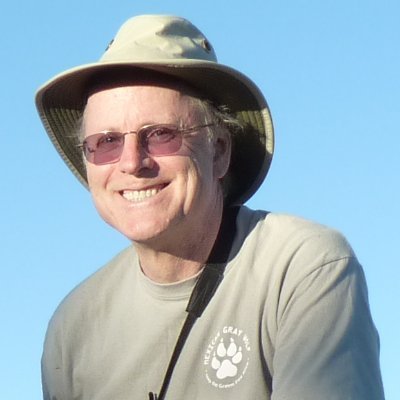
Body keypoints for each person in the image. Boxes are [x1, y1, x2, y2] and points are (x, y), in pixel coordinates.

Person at [36, 14, 384, 400]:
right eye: (106, 142)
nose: (132, 163)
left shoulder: (301, 267)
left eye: (161, 134)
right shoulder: (73, 328)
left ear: (219, 151)